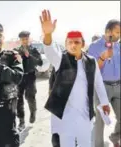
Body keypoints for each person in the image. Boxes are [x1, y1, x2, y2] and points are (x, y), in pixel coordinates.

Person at [39, 10, 110, 147]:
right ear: (65, 44)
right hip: (65, 115)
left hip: (84, 114)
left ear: (82, 44)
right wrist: (48, 35)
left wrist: (105, 102)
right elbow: (50, 51)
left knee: (85, 143)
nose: (73, 45)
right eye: (70, 42)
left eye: (76, 42)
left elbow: (98, 83)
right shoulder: (61, 59)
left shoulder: (91, 61)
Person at [88, 19, 120, 147]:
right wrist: (103, 58)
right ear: (108, 31)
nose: (119, 36)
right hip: (102, 87)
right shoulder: (94, 46)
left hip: (119, 86)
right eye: (117, 32)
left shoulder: (119, 45)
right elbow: (91, 70)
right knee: (100, 121)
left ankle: (115, 137)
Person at [14, 31, 43, 132]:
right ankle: (21, 121)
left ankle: (33, 112)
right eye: (23, 39)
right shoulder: (16, 50)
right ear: (20, 40)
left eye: (26, 39)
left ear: (29, 39)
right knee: (19, 99)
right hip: (19, 77)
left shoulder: (34, 50)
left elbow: (40, 62)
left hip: (30, 76)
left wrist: (29, 55)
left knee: (30, 97)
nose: (25, 41)